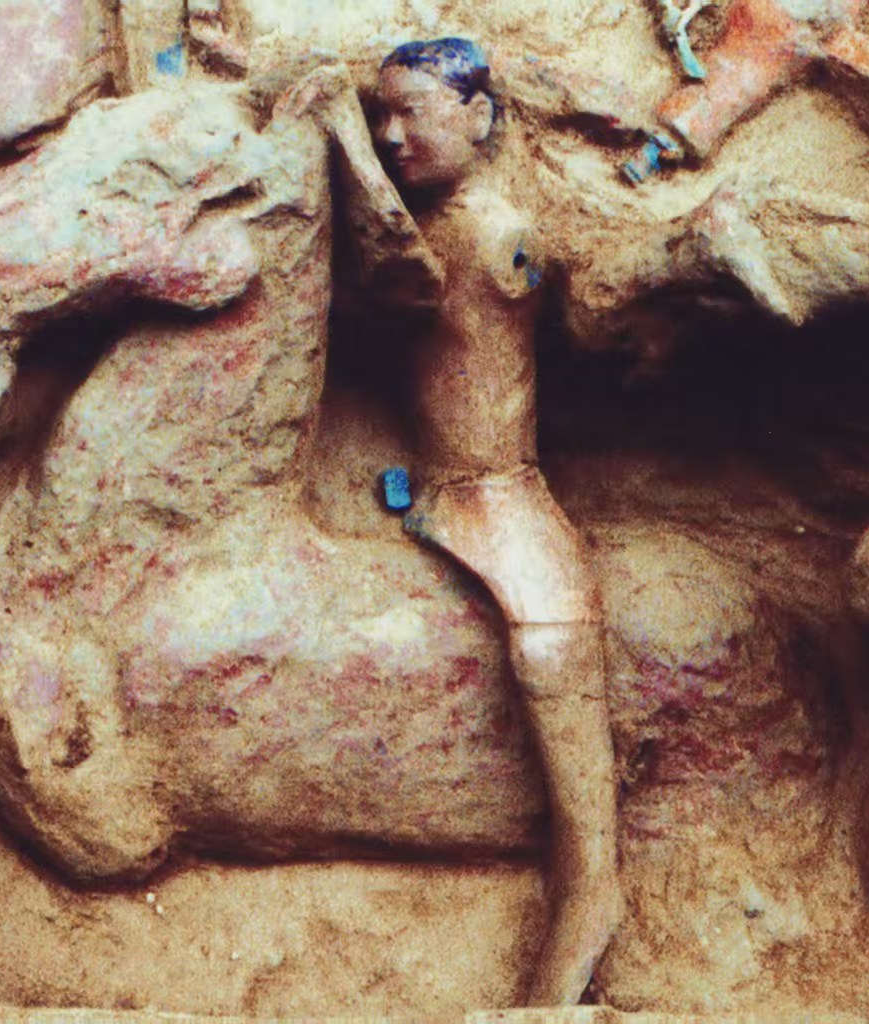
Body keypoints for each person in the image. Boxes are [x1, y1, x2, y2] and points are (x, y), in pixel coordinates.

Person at [375, 37, 622, 1006]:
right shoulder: (420, 224)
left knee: (553, 643)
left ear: (478, 117)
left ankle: (591, 882)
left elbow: (541, 271)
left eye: (413, 113)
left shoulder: (497, 234)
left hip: (497, 495)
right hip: (425, 486)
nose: (392, 135)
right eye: (380, 117)